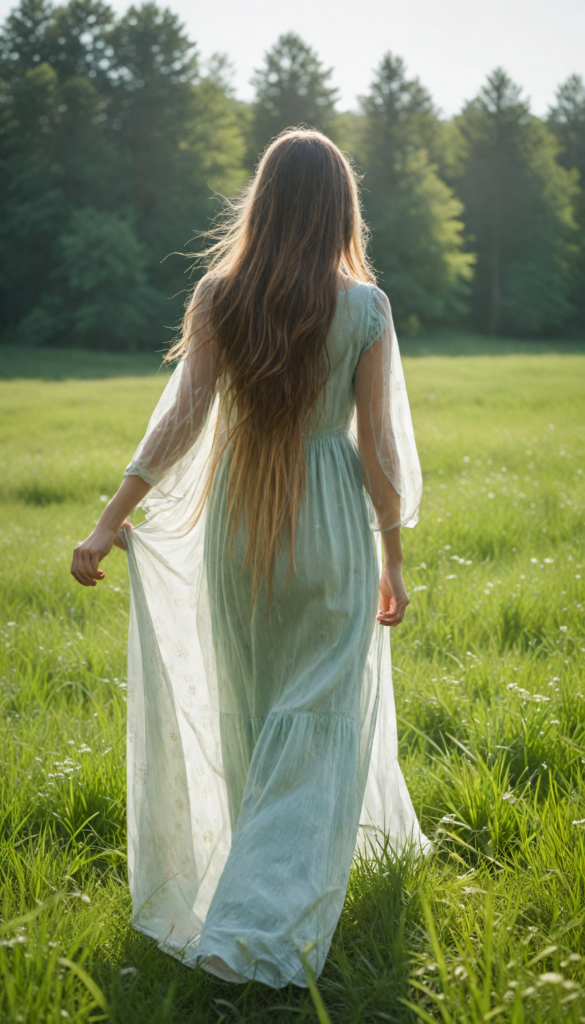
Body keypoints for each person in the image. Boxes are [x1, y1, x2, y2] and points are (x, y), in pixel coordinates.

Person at [70, 128, 428, 989]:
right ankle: (253, 930)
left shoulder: (218, 295)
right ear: (341, 206)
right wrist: (393, 556)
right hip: (333, 531)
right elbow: (375, 447)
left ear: (260, 203)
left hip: (240, 528)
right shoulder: (364, 307)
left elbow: (181, 418)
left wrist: (108, 520)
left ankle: (247, 898)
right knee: (315, 733)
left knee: (258, 715)